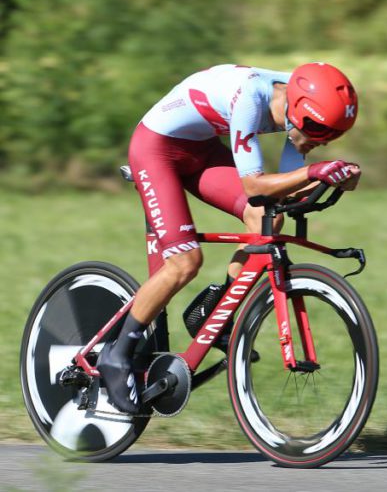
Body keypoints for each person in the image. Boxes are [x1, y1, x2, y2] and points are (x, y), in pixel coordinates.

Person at [97, 62, 361, 414]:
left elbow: (282, 189)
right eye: (317, 131)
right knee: (185, 262)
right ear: (298, 109)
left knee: (266, 217)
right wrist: (314, 171)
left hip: (200, 150)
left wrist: (334, 176)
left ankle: (211, 312)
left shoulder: (296, 99)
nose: (321, 141)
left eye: (332, 137)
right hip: (156, 149)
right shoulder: (252, 97)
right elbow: (255, 185)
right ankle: (116, 355)